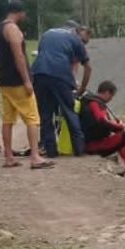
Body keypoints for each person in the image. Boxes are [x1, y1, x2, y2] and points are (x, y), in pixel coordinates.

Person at [0, 0, 53, 169]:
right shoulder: (12, 29)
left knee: (8, 120)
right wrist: (27, 80)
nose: (25, 16)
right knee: (32, 118)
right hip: (18, 80)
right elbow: (19, 57)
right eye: (24, 13)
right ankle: (35, 157)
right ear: (19, 12)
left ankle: (9, 157)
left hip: (4, 81)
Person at [32, 22, 92, 158]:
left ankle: (51, 151)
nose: (83, 44)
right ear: (77, 31)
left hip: (39, 74)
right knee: (69, 111)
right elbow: (88, 67)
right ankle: (79, 150)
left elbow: (43, 54)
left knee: (45, 114)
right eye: (84, 42)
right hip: (60, 75)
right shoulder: (75, 39)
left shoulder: (47, 33)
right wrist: (82, 89)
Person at [80, 81, 125, 171]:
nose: (111, 99)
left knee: (122, 133)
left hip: (90, 143)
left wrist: (118, 127)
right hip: (94, 146)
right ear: (107, 92)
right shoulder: (94, 103)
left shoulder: (90, 101)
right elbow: (102, 121)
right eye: (112, 96)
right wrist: (120, 126)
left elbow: (102, 123)